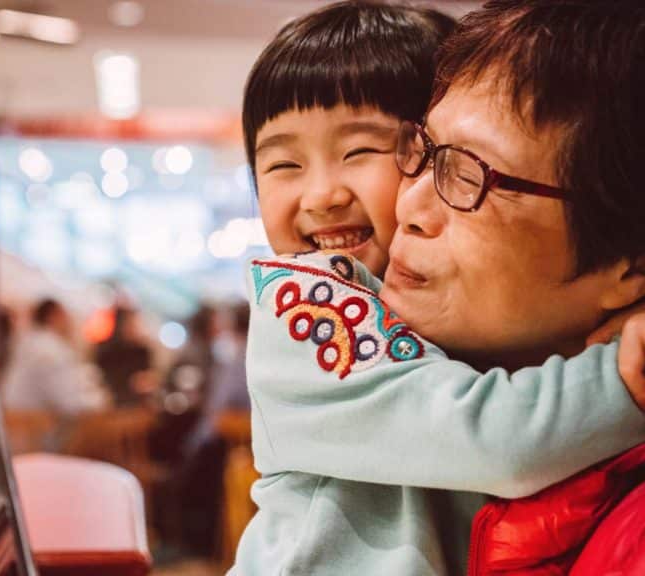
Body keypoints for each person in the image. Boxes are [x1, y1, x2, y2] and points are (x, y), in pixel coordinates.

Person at [233, 1, 645, 574]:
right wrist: (621, 376)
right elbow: (492, 440)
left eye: (360, 153)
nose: (322, 195)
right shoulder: (303, 305)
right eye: (282, 166)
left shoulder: (460, 319)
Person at [2, 298, 109, 415]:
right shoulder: (50, 350)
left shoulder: (33, 341)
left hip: (17, 417)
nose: (69, 321)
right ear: (53, 316)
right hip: (31, 424)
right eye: (65, 315)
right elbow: (70, 403)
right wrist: (102, 400)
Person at [95, 305, 155, 407]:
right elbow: (102, 379)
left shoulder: (141, 350)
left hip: (139, 403)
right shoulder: (106, 350)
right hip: (112, 403)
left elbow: (149, 375)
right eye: (131, 322)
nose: (134, 326)